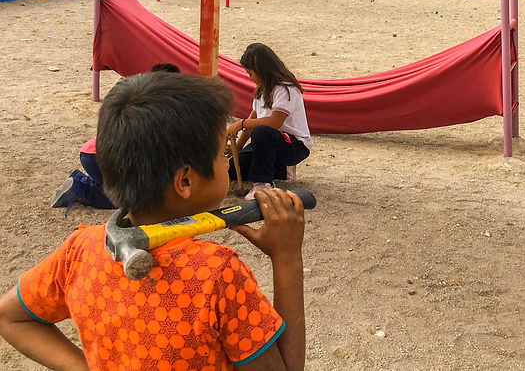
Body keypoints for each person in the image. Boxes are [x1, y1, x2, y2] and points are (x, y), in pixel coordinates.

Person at [0, 72, 307, 370]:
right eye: (220, 155)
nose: (227, 161)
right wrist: (287, 258)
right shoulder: (218, 273)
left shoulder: (80, 250)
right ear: (185, 181)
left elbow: (9, 316)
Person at [50, 62, 181, 211]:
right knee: (124, 200)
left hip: (92, 151)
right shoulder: (159, 110)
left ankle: (82, 181)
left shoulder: (141, 97)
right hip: (102, 156)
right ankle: (80, 188)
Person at [228, 43, 312, 200]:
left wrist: (241, 124)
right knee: (231, 168)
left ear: (261, 71)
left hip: (293, 145)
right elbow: (253, 121)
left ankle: (264, 184)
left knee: (263, 131)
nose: (250, 78)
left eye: (250, 73)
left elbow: (274, 122)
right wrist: (235, 150)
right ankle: (280, 170)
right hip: (267, 142)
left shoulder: (286, 89)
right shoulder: (261, 91)